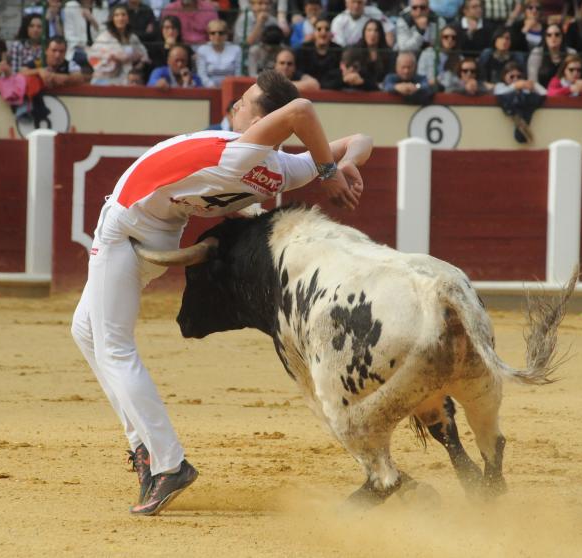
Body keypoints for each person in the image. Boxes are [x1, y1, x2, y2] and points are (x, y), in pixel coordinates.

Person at [70, 69, 371, 517]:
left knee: (113, 345)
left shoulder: (238, 153)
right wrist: (343, 164)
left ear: (262, 121)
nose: (235, 106)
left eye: (246, 101)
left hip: (125, 232)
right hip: (157, 235)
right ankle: (145, 447)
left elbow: (303, 110)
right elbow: (362, 138)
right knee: (85, 331)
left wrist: (330, 171)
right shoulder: (278, 170)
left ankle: (167, 462)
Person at [88, 4, 148, 85]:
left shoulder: (132, 37)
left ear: (128, 18)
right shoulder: (104, 37)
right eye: (116, 15)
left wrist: (137, 64)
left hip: (126, 81)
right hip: (106, 80)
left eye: (123, 15)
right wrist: (110, 59)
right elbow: (92, 57)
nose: (120, 18)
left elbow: (144, 55)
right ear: (112, 18)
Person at [493, 60, 546, 142]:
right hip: (510, 106)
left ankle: (520, 122)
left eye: (518, 77)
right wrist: (515, 86)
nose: (515, 79)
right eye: (512, 76)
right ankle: (516, 117)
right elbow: (499, 93)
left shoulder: (525, 89)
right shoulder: (500, 85)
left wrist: (534, 85)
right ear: (504, 76)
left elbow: (545, 93)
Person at [21, 35, 86, 88]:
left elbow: (79, 78)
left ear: (65, 52)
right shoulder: (38, 63)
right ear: (46, 50)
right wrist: (38, 71)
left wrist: (56, 77)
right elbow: (20, 73)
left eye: (61, 51)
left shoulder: (70, 64)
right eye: (54, 50)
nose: (57, 55)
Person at [527, 23, 576, 88]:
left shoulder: (571, 53)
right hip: (542, 94)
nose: (553, 37)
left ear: (562, 37)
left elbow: (576, 78)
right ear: (545, 38)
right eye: (549, 35)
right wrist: (548, 94)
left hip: (567, 94)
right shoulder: (537, 53)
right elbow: (533, 81)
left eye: (557, 34)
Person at [294, 17, 343, 83]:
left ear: (331, 33)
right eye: (319, 29)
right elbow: (298, 71)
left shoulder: (338, 50)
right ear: (314, 33)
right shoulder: (303, 49)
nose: (323, 33)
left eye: (327, 29)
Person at [195, 18, 241, 87]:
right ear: (209, 35)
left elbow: (238, 72)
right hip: (209, 89)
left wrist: (231, 86)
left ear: (226, 34)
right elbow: (201, 73)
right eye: (213, 33)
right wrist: (211, 85)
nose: (217, 36)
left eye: (221, 33)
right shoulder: (202, 50)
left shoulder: (236, 49)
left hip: (231, 87)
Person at [331, 0, 395, 48]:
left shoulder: (374, 12)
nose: (356, 6)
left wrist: (387, 51)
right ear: (346, 4)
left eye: (359, 2)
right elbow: (340, 45)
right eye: (353, 2)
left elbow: (389, 30)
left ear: (365, 3)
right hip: (350, 55)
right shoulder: (338, 21)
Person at [417, 22, 462, 90]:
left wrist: (441, 79)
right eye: (446, 37)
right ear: (440, 38)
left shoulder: (460, 58)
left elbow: (461, 81)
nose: (450, 40)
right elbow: (420, 75)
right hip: (428, 88)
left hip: (450, 92)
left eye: (453, 37)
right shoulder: (428, 53)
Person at [63, 0, 108, 66]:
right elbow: (69, 36)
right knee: (94, 59)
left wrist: (92, 20)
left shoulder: (103, 4)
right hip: (79, 49)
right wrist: (85, 48)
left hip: (99, 48)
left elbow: (105, 32)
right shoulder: (70, 6)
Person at [355, 18, 394, 85]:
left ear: (380, 34)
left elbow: (390, 75)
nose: (372, 34)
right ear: (364, 33)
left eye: (376, 31)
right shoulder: (355, 51)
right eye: (369, 30)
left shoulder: (388, 53)